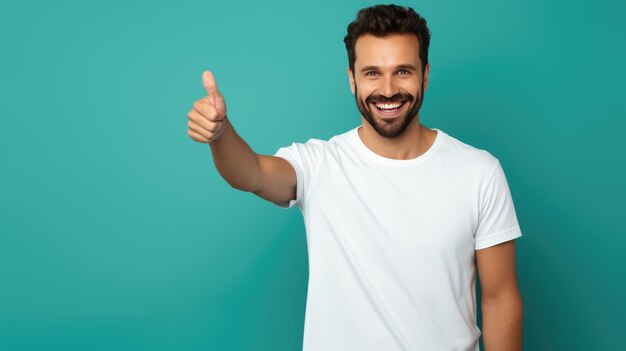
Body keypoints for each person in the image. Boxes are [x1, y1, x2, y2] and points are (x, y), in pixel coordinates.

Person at [187, 4, 523, 351]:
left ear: (425, 74)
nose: (388, 89)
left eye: (403, 71)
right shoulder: (319, 165)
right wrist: (221, 134)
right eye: (372, 73)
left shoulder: (479, 172)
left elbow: (500, 298)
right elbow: (251, 173)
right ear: (352, 79)